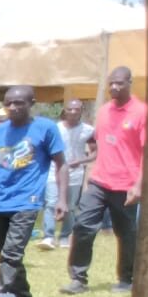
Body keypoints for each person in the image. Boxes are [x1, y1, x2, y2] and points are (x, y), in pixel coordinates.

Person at [0, 85, 68, 297]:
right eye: (8, 103)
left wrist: (62, 199)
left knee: (11, 253)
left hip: (28, 200)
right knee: (6, 254)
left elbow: (61, 164)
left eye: (19, 103)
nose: (12, 107)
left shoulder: (45, 128)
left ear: (31, 103)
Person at [64, 67, 146, 294]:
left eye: (119, 83)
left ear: (130, 82)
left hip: (126, 185)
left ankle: (126, 279)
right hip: (99, 182)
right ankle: (78, 279)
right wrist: (91, 174)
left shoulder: (141, 112)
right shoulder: (103, 111)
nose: (114, 88)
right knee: (82, 226)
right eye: (111, 83)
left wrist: (138, 186)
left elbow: (147, 152)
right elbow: (102, 145)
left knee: (126, 233)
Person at [40, 99, 94, 250]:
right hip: (54, 170)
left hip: (75, 173)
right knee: (51, 203)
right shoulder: (55, 128)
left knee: (70, 206)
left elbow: (95, 152)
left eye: (77, 109)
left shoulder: (88, 130)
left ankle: (65, 236)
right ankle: (48, 236)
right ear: (65, 111)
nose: (73, 112)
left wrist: (82, 160)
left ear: (81, 111)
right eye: (70, 109)